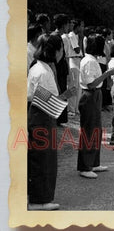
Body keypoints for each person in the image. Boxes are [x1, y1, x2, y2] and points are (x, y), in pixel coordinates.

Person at [27, 34, 73, 210]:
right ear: (55, 51)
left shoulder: (38, 67)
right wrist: (67, 95)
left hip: (38, 114)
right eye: (61, 48)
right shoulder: (44, 72)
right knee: (43, 158)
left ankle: (39, 196)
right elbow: (49, 102)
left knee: (41, 156)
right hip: (42, 116)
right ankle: (39, 200)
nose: (62, 52)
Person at [77, 34, 114, 179]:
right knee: (89, 130)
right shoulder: (89, 61)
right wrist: (107, 74)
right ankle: (85, 166)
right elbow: (91, 83)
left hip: (95, 94)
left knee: (96, 129)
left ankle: (93, 162)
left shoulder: (92, 60)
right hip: (90, 94)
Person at [52, 14, 70, 126]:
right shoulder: (56, 37)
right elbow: (57, 57)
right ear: (64, 25)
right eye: (68, 24)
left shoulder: (58, 36)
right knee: (59, 91)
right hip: (57, 70)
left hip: (61, 69)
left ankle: (59, 118)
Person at [66, 19, 83, 116]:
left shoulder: (77, 35)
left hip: (79, 60)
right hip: (73, 59)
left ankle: (76, 108)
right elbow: (77, 49)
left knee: (79, 86)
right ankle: (71, 109)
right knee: (73, 86)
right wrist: (80, 39)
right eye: (81, 26)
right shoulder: (72, 35)